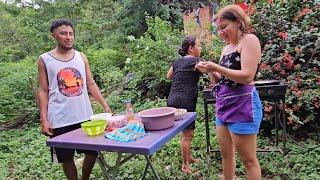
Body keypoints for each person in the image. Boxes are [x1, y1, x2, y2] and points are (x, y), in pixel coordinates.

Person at [37, 19, 112, 180]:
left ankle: (85, 177)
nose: (68, 37)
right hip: (59, 118)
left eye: (71, 34)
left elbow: (90, 83)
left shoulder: (81, 57)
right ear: (54, 36)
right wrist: (44, 119)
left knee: (92, 152)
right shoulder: (44, 59)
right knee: (66, 157)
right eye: (63, 33)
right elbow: (43, 90)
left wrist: (105, 106)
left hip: (85, 116)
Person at [196, 4, 263, 180]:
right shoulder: (225, 49)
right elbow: (220, 81)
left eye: (224, 27)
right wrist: (210, 70)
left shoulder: (249, 40)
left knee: (249, 161)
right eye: (218, 29)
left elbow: (247, 76)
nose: (221, 33)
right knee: (226, 155)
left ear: (238, 22)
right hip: (224, 105)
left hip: (243, 105)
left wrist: (216, 66)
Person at [166, 36, 202, 173]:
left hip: (173, 98)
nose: (200, 48)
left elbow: (168, 76)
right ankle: (185, 166)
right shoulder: (197, 61)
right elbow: (209, 71)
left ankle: (189, 157)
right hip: (186, 99)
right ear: (191, 48)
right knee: (187, 135)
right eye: (199, 46)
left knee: (188, 132)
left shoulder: (177, 62)